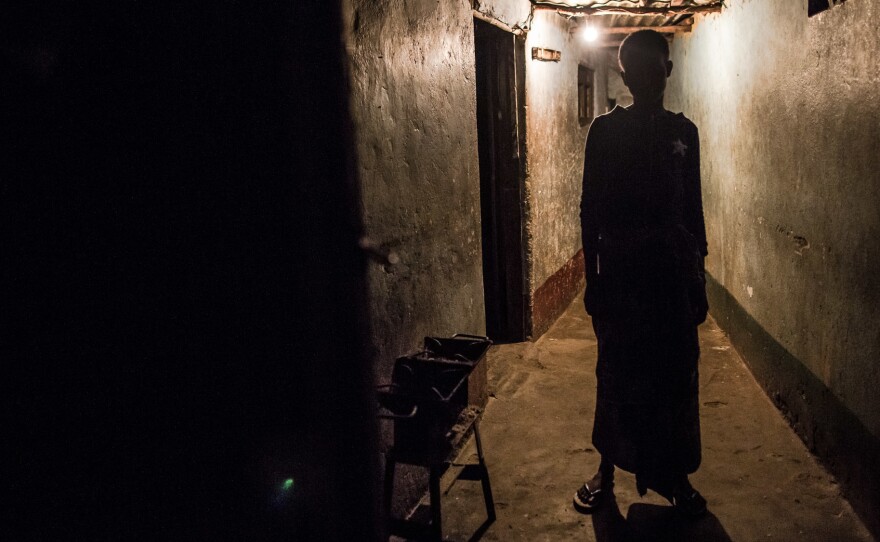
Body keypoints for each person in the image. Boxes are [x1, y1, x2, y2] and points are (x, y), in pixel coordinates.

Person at [573, 29, 709, 517]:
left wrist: (699, 276)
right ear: (626, 74)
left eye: (660, 67)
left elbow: (692, 210)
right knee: (616, 373)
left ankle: (673, 475)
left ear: (667, 72)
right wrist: (594, 280)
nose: (654, 76)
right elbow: (590, 211)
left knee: (674, 375)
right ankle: (607, 468)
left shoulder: (684, 133)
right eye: (644, 68)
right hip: (625, 279)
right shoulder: (605, 133)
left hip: (671, 276)